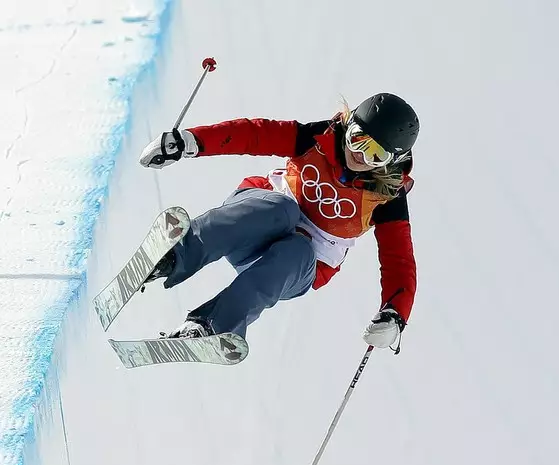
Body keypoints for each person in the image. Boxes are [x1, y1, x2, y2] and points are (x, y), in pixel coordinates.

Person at [139, 92, 419, 351]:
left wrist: (395, 314)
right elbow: (254, 134)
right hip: (253, 224)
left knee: (298, 250)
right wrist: (191, 142)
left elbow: (399, 260)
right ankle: (173, 255)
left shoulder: (387, 197)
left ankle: (210, 327)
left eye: (376, 154)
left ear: (392, 161)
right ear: (349, 125)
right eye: (358, 139)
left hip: (292, 268)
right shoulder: (319, 138)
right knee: (283, 209)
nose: (360, 155)